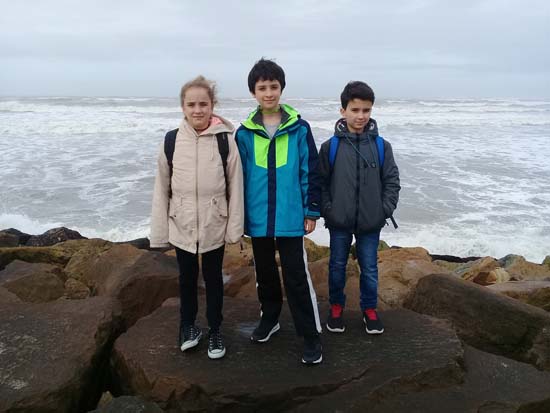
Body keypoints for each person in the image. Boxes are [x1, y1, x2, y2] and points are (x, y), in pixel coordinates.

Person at [235, 58, 323, 365]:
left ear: (281, 88)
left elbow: (310, 170)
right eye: (262, 88)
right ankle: (270, 319)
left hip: (290, 216)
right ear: (253, 92)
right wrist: (237, 218)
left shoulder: (299, 128)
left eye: (273, 86)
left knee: (297, 276)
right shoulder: (244, 133)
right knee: (264, 273)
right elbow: (237, 178)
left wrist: (311, 211)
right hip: (258, 218)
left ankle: (310, 335)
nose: (269, 93)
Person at [150, 75, 244, 359]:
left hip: (214, 223)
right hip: (182, 223)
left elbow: (235, 187)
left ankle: (215, 330)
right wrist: (159, 233)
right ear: (183, 107)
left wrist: (235, 229)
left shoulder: (225, 140)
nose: (198, 110)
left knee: (214, 279)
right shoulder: (171, 141)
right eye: (191, 104)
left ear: (212, 105)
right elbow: (161, 188)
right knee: (187, 279)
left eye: (203, 104)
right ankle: (187, 327)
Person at [318, 81, 400, 335]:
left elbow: (392, 181)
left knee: (370, 268)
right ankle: (336, 308)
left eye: (366, 110)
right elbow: (320, 183)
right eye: (355, 110)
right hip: (339, 220)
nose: (361, 116)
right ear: (343, 110)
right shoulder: (330, 147)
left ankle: (369, 309)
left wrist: (383, 209)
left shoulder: (381, 146)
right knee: (336, 266)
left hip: (370, 221)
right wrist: (328, 209)